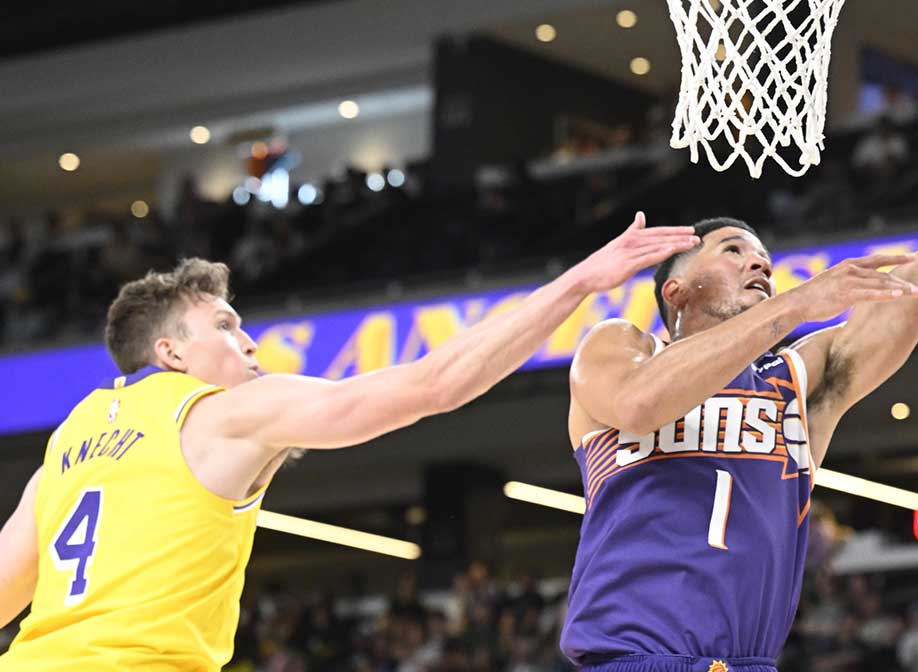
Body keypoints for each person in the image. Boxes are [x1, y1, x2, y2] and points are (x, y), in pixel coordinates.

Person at [559, 3, 918, 670]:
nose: (759, 263)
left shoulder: (799, 384)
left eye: (763, 257)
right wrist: (796, 306)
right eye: (733, 251)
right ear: (676, 289)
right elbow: (642, 405)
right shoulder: (619, 347)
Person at [0, 215, 698, 671]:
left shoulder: (65, 448)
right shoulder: (224, 412)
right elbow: (434, 385)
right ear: (169, 352)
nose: (247, 340)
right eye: (223, 325)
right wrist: (579, 283)